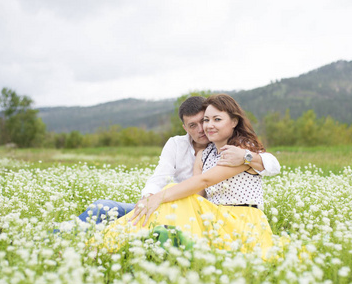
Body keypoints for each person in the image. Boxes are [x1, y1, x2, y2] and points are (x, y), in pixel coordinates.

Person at [95, 94, 278, 259]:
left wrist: (160, 196)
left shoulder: (241, 150)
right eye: (207, 120)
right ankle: (109, 244)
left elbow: (204, 180)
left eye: (217, 119)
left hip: (241, 221)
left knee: (164, 197)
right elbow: (197, 195)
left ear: (234, 121)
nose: (208, 125)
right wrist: (154, 199)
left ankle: (103, 245)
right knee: (158, 207)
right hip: (214, 218)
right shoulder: (205, 154)